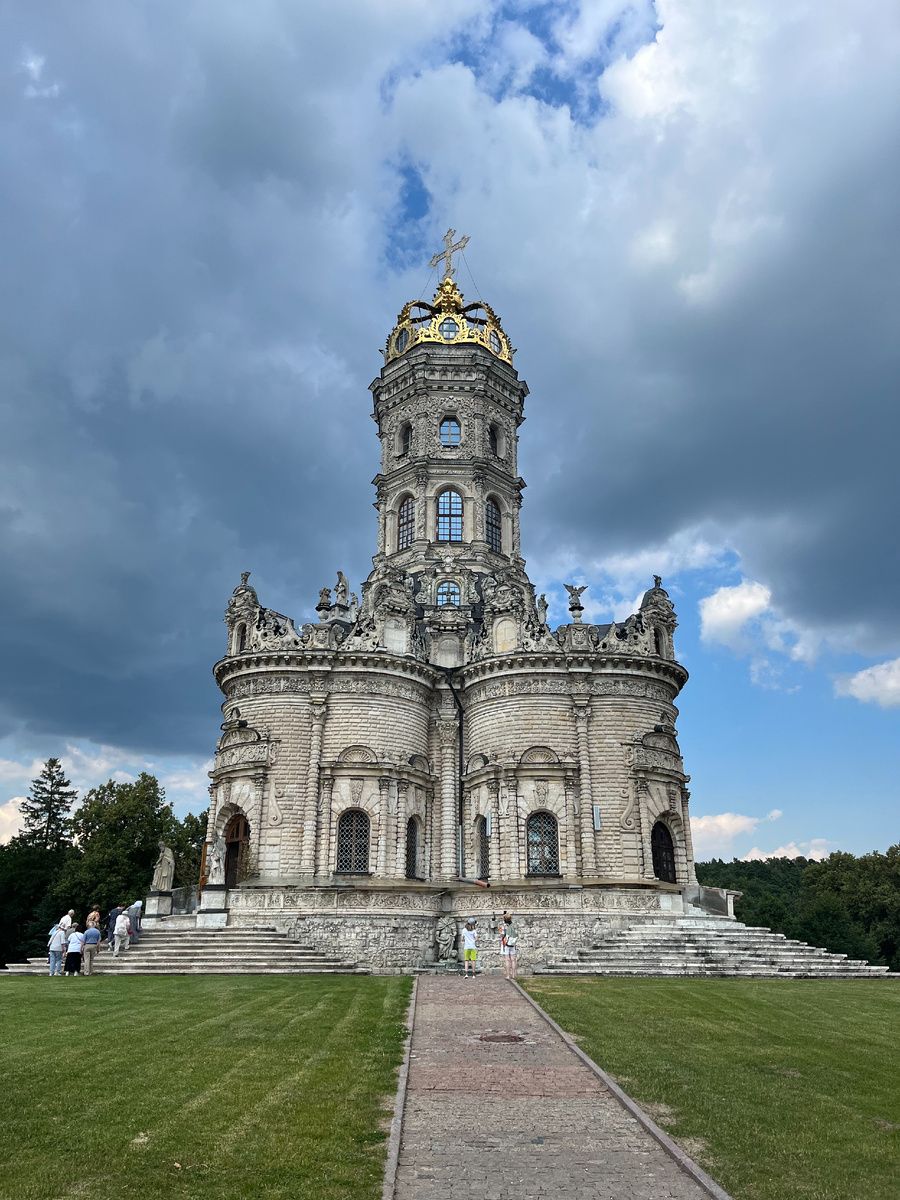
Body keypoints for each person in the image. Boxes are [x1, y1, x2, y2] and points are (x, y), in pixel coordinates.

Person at [500, 912, 518, 980]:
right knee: (513, 959)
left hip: (506, 943)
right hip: (512, 943)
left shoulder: (503, 926)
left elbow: (502, 934)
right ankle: (513, 975)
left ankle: (508, 975)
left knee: (507, 959)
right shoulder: (513, 925)